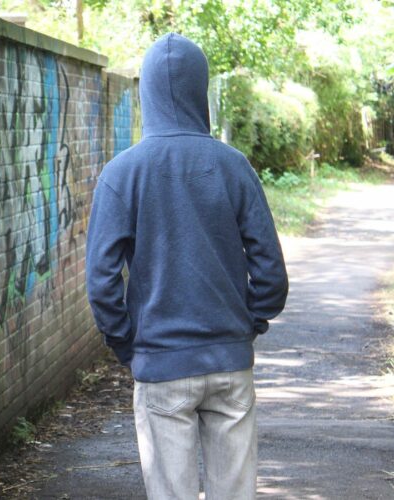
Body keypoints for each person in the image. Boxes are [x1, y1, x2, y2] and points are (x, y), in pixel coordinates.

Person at [85, 33, 289, 500]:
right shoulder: (234, 167)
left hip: (161, 367)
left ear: (147, 92)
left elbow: (101, 282)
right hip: (229, 364)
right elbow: (271, 272)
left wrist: (128, 346)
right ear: (201, 91)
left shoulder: (123, 173)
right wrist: (248, 322)